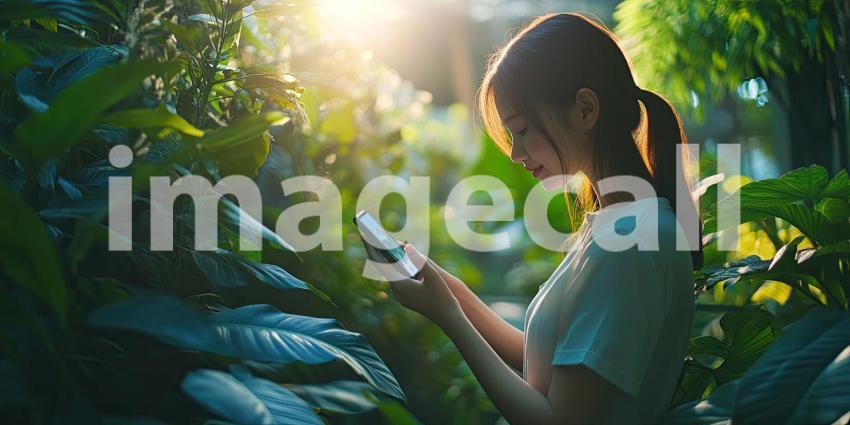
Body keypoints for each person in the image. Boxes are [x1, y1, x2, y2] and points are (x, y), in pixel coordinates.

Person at [385, 12, 702, 424]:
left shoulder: (632, 240)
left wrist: (448, 317)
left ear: (585, 109)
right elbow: (541, 358)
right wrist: (452, 293)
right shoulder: (618, 225)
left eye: (522, 129)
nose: (516, 153)